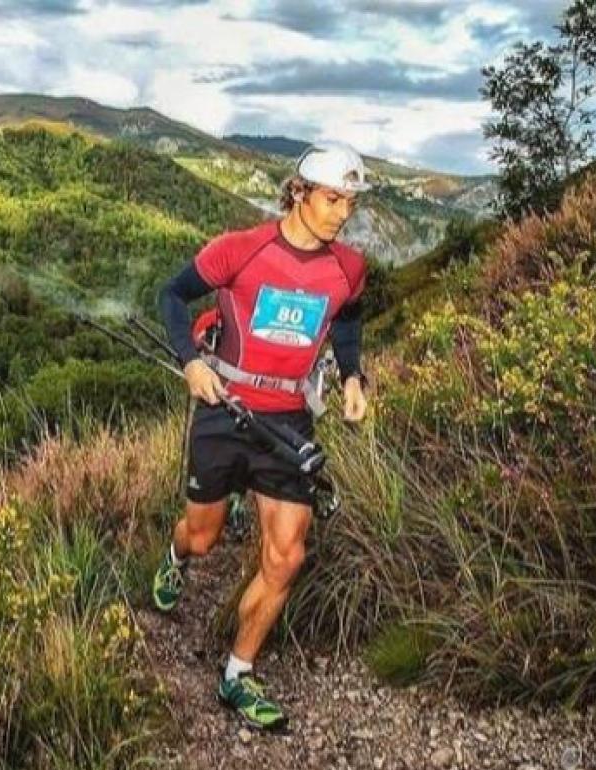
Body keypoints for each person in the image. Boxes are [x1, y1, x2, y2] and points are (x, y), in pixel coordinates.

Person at [153, 140, 371, 732]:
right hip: (225, 408)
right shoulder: (240, 251)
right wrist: (189, 362)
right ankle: (177, 557)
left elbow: (347, 319)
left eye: (350, 202)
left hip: (288, 420)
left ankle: (237, 675)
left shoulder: (347, 269)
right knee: (205, 537)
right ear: (299, 193)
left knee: (287, 554)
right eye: (332, 199)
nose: (342, 213)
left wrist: (352, 375)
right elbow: (171, 295)